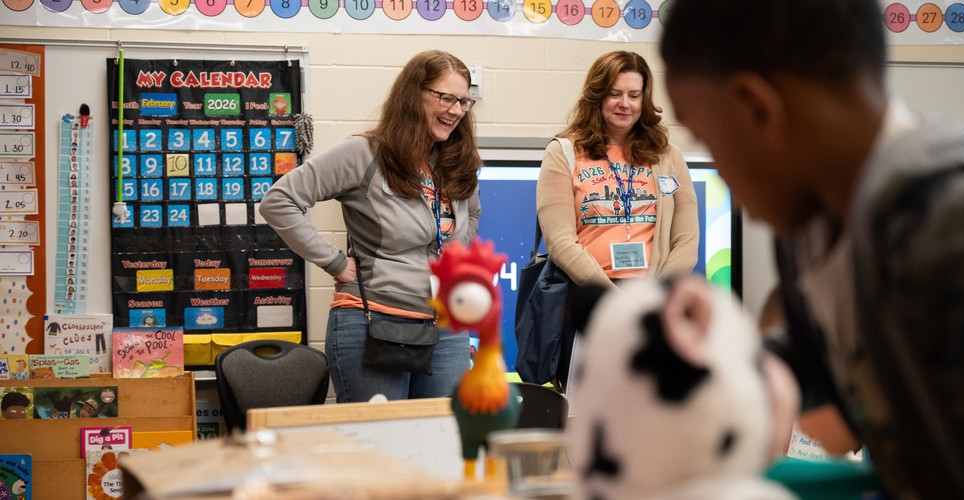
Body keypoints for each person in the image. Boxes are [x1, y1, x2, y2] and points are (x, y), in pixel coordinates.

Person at [660, 0, 964, 497]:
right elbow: (819, 351)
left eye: (708, 141)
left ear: (758, 108)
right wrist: (735, 364)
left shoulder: (950, 223)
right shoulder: (806, 228)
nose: (722, 174)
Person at [260, 50, 481, 403]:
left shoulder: (455, 160)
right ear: (414, 94)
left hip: (445, 327)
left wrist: (453, 256)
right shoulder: (364, 153)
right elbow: (278, 201)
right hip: (372, 323)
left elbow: (472, 211)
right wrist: (334, 263)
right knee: (381, 448)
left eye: (464, 101)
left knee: (442, 445)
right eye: (446, 97)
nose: (456, 110)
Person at [536, 50, 699, 386]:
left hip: (652, 308)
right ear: (597, 96)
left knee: (649, 420)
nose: (625, 103)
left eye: (634, 95)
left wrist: (653, 298)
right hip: (590, 301)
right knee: (587, 418)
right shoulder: (563, 152)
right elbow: (560, 241)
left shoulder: (668, 156)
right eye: (615, 93)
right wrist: (612, 299)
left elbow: (687, 239)